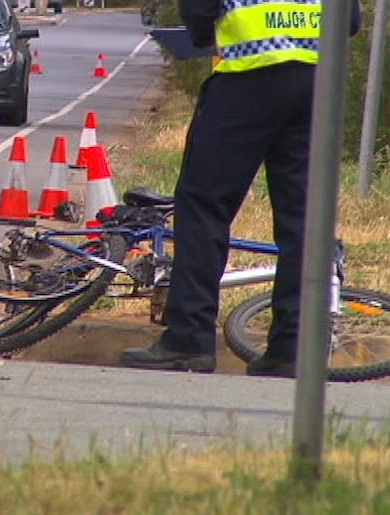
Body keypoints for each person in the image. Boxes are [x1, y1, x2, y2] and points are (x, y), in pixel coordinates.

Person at [121, 0, 362, 377]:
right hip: (316, 83)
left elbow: (200, 12)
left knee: (203, 204)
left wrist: (206, 36)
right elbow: (348, 20)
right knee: (305, 217)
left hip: (249, 75)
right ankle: (292, 348)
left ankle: (188, 339)